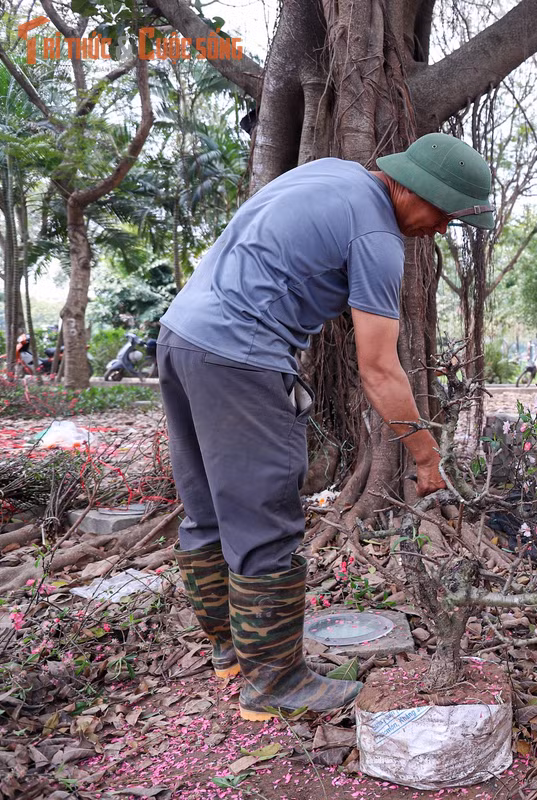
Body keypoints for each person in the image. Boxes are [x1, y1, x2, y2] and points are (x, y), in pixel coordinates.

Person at [159, 133, 495, 721]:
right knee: (265, 518)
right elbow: (379, 369)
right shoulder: (377, 236)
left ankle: (232, 652)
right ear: (415, 189)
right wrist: (426, 456)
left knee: (208, 508)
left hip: (181, 337)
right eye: (444, 214)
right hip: (242, 358)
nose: (441, 230)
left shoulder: (332, 174)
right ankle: (275, 684)